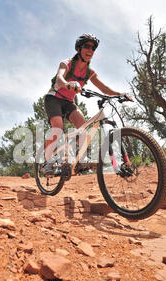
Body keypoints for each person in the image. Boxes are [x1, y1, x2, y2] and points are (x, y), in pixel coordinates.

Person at [42, 33, 132, 175]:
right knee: (58, 126)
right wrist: (67, 84)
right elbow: (59, 79)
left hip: (69, 102)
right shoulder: (67, 63)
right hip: (54, 98)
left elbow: (105, 89)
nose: (90, 50)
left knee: (83, 126)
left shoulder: (89, 72)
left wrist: (120, 94)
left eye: (93, 48)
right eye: (87, 46)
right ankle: (47, 161)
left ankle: (81, 159)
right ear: (79, 48)